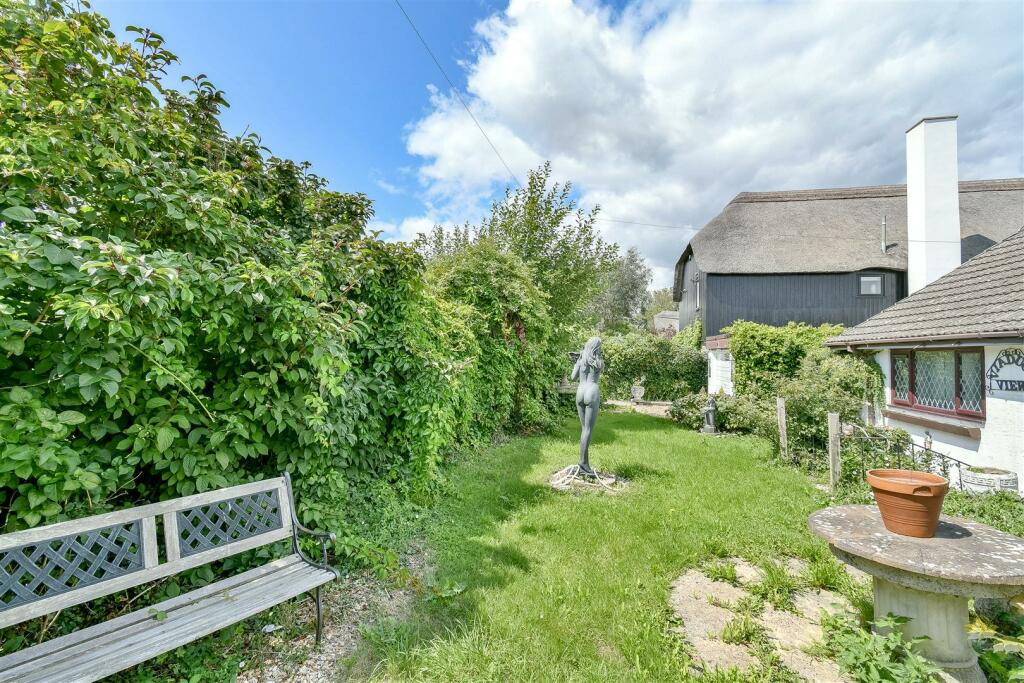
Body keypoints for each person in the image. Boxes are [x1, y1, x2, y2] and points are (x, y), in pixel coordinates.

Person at [570, 336, 603, 474]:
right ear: (597, 347)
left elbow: (573, 378)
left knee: (584, 429)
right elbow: (599, 371)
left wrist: (576, 362)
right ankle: (583, 464)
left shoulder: (580, 360)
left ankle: (584, 463)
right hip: (592, 391)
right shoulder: (599, 360)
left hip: (580, 392)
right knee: (588, 429)